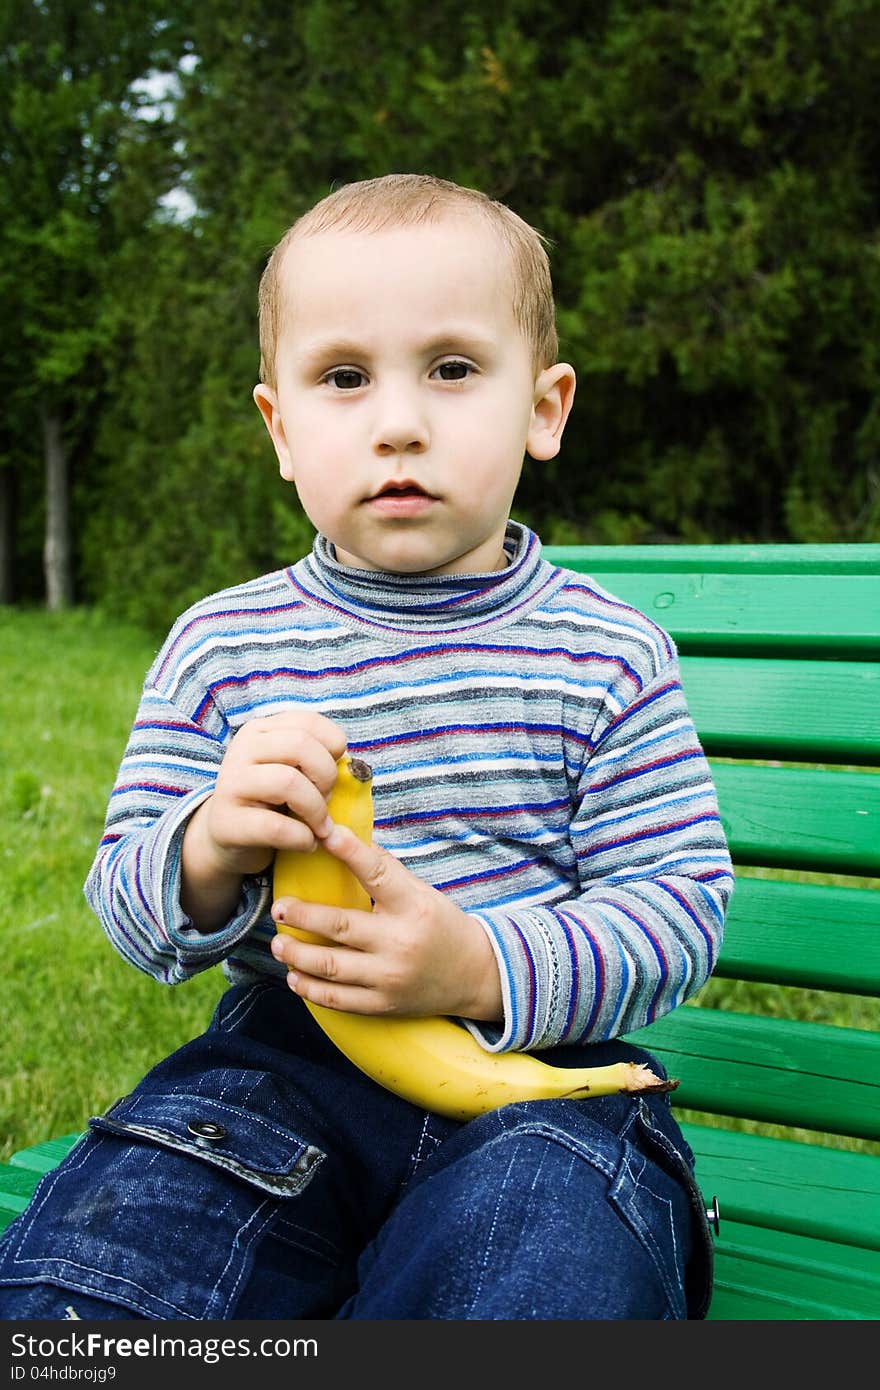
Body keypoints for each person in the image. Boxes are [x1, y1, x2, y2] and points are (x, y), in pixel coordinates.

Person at [0, 173, 733, 1321]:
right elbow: (129, 907)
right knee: (103, 1281)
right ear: (281, 429)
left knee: (546, 1265)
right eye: (344, 378)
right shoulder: (223, 646)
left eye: (451, 368)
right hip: (274, 1077)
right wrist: (203, 848)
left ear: (543, 410)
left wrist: (478, 965)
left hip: (538, 1089)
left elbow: (677, 906)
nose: (397, 419)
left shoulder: (606, 653)